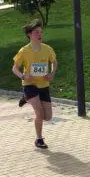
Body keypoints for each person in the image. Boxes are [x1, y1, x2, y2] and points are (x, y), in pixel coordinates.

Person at [12, 19, 57, 149]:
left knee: (48, 117)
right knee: (39, 113)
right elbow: (14, 68)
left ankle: (26, 98)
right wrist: (23, 75)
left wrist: (52, 73)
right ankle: (39, 139)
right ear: (30, 34)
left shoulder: (47, 49)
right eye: (36, 32)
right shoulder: (24, 51)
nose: (39, 34)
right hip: (29, 84)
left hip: (44, 85)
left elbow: (54, 62)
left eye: (40, 32)